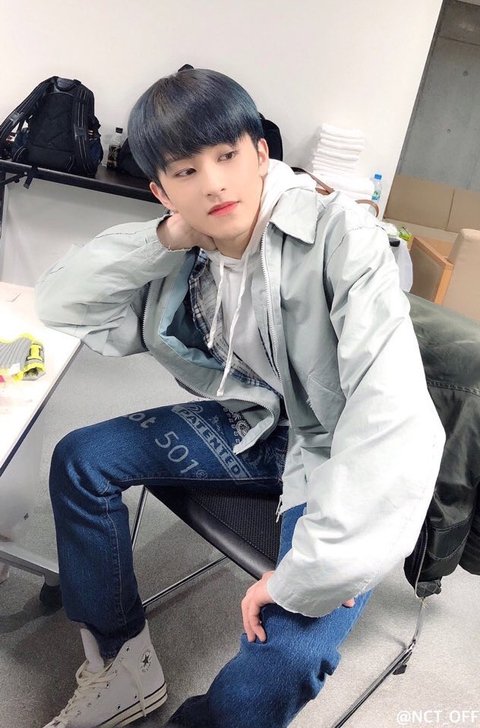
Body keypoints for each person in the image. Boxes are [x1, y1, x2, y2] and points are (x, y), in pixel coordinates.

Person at [35, 68, 445, 728]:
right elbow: (63, 303)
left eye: (227, 156)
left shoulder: (344, 237)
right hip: (256, 427)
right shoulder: (185, 256)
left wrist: (312, 572)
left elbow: (390, 415)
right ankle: (122, 661)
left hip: (334, 453)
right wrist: (164, 238)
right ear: (161, 190)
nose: (214, 184)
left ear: (260, 153)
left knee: (281, 665)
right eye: (186, 170)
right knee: (82, 458)